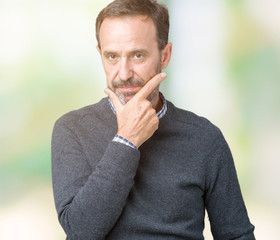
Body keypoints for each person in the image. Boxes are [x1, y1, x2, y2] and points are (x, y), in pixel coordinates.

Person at [51, 0, 255, 239]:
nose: (124, 74)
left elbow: (237, 234)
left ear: (165, 55)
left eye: (137, 55)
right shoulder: (73, 130)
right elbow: (80, 230)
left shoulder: (204, 138)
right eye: (112, 57)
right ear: (100, 55)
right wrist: (126, 140)